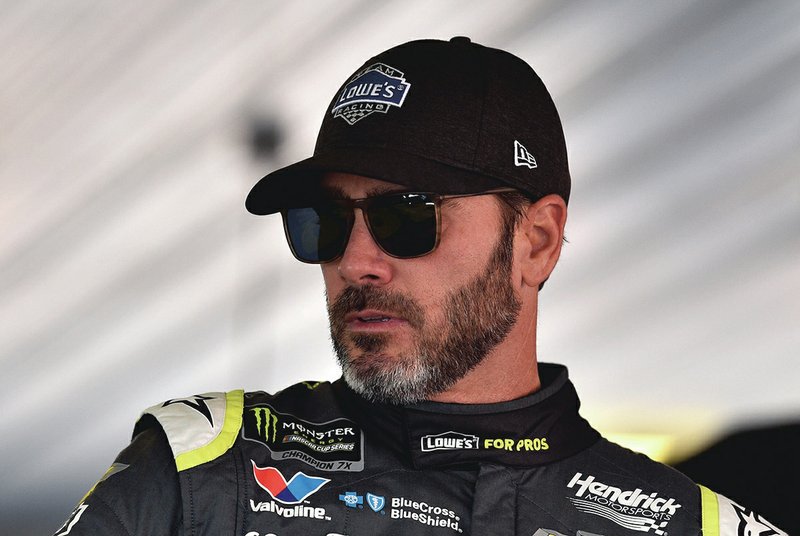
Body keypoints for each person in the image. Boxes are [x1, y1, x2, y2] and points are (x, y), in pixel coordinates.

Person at [54, 37, 785, 536]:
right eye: (327, 222)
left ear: (536, 242)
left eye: (408, 218)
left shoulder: (699, 525)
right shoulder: (203, 470)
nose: (357, 261)